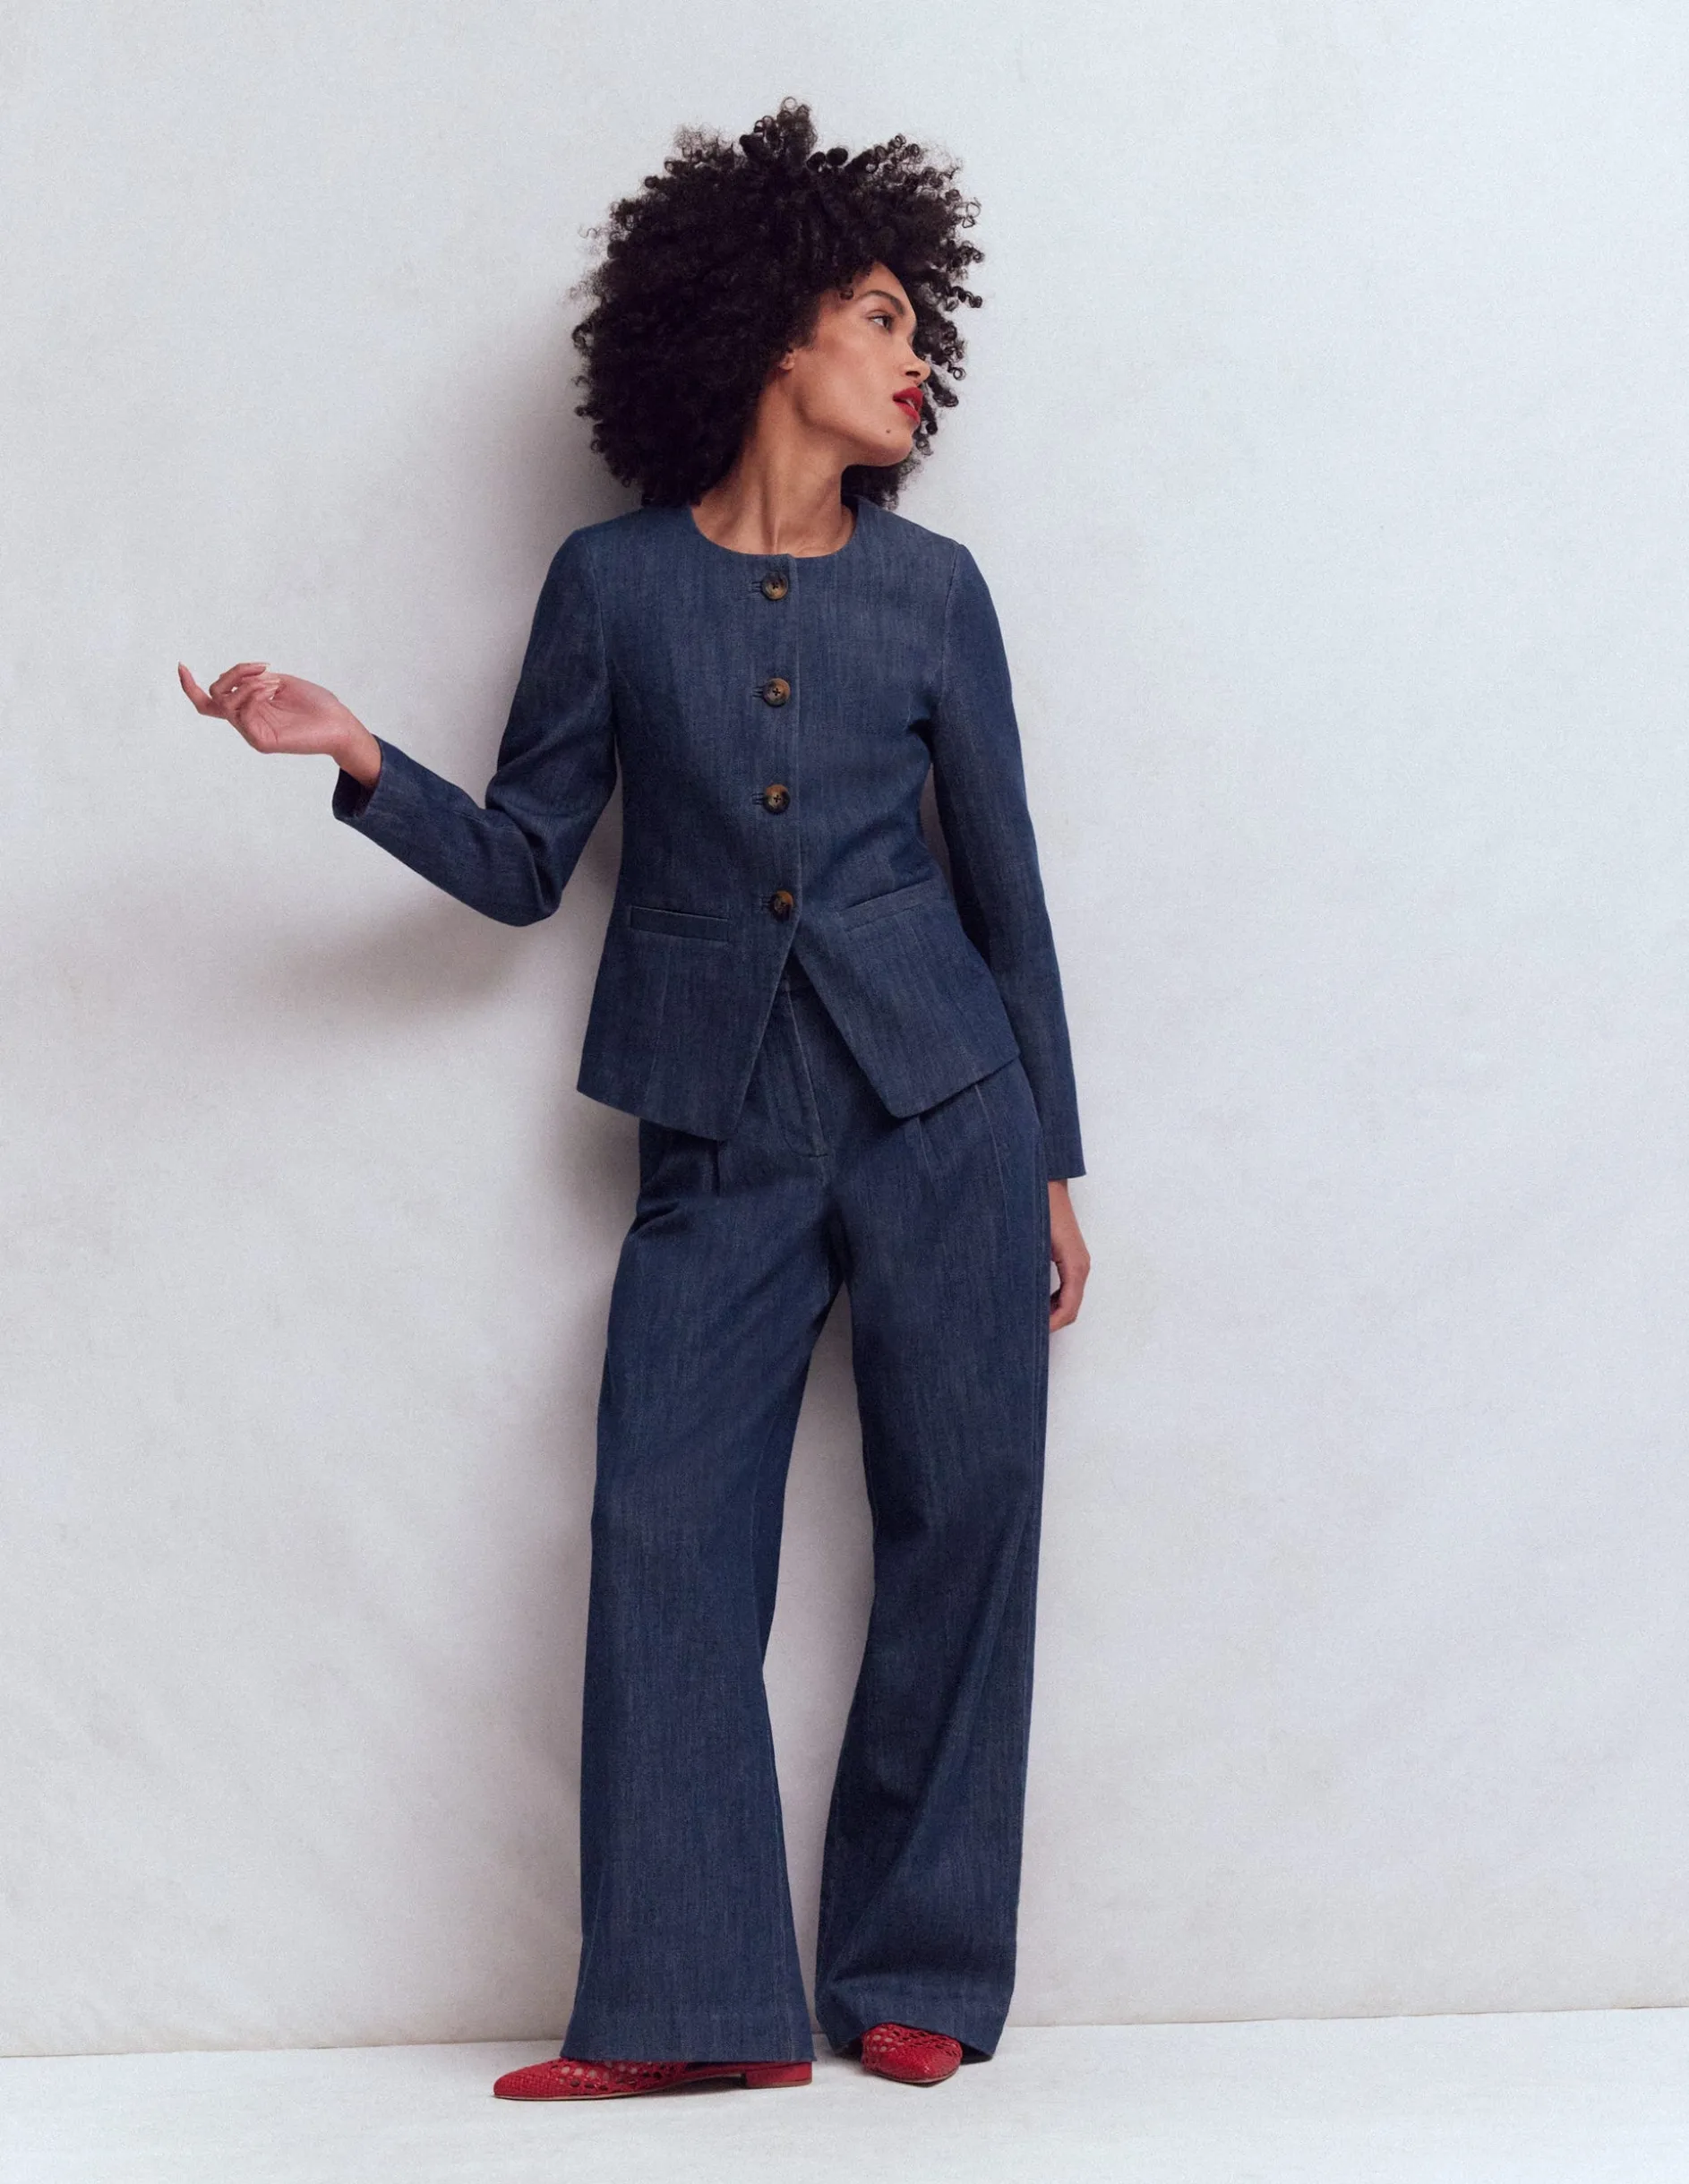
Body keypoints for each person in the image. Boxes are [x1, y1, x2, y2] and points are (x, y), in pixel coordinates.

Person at [179, 98, 1089, 2103]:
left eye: (917, 327)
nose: (913, 358)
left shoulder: (936, 593)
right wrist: (358, 757)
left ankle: (916, 1969)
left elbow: (1006, 889)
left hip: (946, 1105)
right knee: (664, 1529)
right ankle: (692, 2007)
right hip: (718, 1125)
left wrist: (1050, 1159)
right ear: (774, 327)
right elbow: (526, 861)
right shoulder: (607, 586)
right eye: (879, 316)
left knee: (967, 1519)